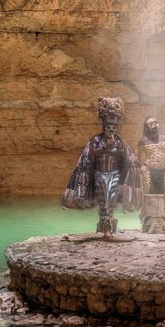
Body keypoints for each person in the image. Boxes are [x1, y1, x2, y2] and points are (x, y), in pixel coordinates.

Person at [61, 96, 141, 238]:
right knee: (103, 201)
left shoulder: (120, 141)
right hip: (99, 174)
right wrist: (104, 147)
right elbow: (88, 156)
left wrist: (135, 163)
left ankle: (108, 229)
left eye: (114, 127)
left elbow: (129, 157)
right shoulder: (96, 140)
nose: (111, 129)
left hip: (114, 174)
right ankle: (105, 228)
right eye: (109, 127)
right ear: (104, 127)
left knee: (111, 200)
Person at [136, 116, 165, 234]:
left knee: (163, 195)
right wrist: (141, 165)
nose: (154, 125)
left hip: (163, 171)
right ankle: (147, 223)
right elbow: (135, 158)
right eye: (151, 123)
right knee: (148, 195)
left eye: (156, 122)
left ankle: (163, 223)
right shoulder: (143, 141)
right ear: (146, 127)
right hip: (149, 172)